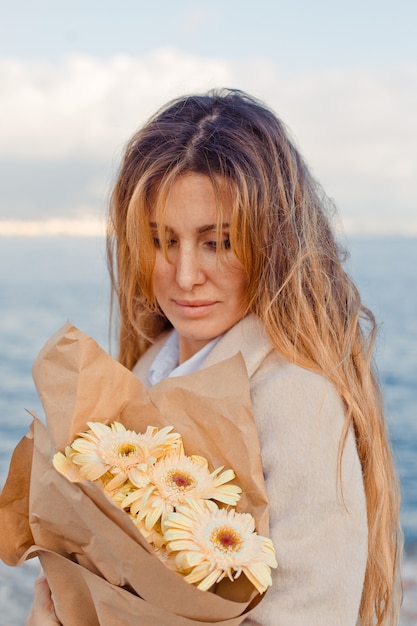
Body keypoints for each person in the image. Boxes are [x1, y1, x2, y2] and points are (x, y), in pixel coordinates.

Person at [26, 88, 402, 625]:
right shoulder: (145, 368)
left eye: (216, 241)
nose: (184, 276)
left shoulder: (297, 395)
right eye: (162, 240)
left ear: (271, 242)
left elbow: (311, 614)